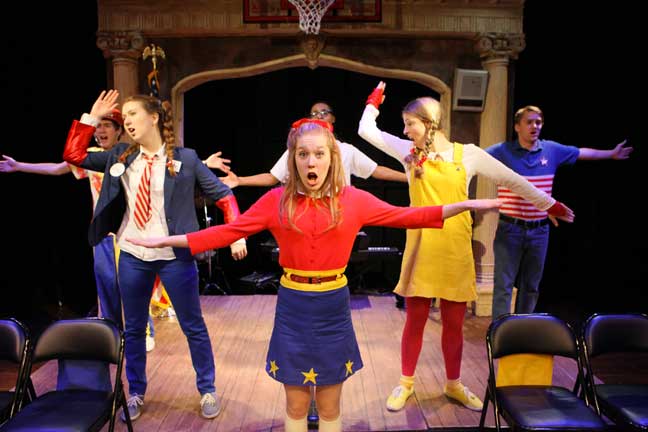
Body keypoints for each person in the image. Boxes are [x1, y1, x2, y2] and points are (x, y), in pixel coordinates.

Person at [127, 118, 503, 432]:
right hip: (293, 307)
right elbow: (225, 233)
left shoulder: (354, 200)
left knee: (329, 405)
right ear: (293, 159)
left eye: (319, 154)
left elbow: (410, 216)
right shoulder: (276, 201)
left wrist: (465, 204)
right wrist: (166, 240)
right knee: (294, 405)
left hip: (333, 308)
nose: (311, 161)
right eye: (303, 154)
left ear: (332, 158)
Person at [357, 81, 575, 413]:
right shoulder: (408, 153)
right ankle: (406, 383)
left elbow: (513, 180)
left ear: (428, 122)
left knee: (454, 324)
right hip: (421, 246)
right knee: (415, 320)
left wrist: (549, 205)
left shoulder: (468, 155)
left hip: (455, 249)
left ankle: (454, 384)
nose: (405, 130)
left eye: (409, 123)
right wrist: (374, 102)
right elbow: (365, 130)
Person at [62, 89, 246, 421]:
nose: (128, 121)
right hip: (132, 254)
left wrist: (235, 235)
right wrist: (91, 118)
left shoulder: (186, 159)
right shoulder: (120, 155)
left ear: (154, 117)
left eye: (133, 114)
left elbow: (223, 196)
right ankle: (136, 392)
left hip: (174, 255)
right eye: (125, 117)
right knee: (133, 329)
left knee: (193, 325)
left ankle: (207, 389)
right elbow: (74, 155)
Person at [487, 105, 632, 319]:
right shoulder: (503, 151)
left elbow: (582, 153)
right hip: (510, 229)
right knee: (503, 285)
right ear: (517, 126)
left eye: (538, 122)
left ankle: (522, 328)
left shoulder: (551, 150)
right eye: (529, 122)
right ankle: (499, 330)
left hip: (539, 231)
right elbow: (475, 157)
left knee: (531, 286)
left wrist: (611, 154)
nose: (535, 126)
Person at [220, 101, 408, 189]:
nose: (319, 116)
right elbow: (272, 177)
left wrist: (409, 178)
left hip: (336, 214)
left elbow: (376, 170)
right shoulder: (297, 149)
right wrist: (239, 181)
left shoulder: (346, 150)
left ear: (333, 118)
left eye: (324, 112)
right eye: (314, 113)